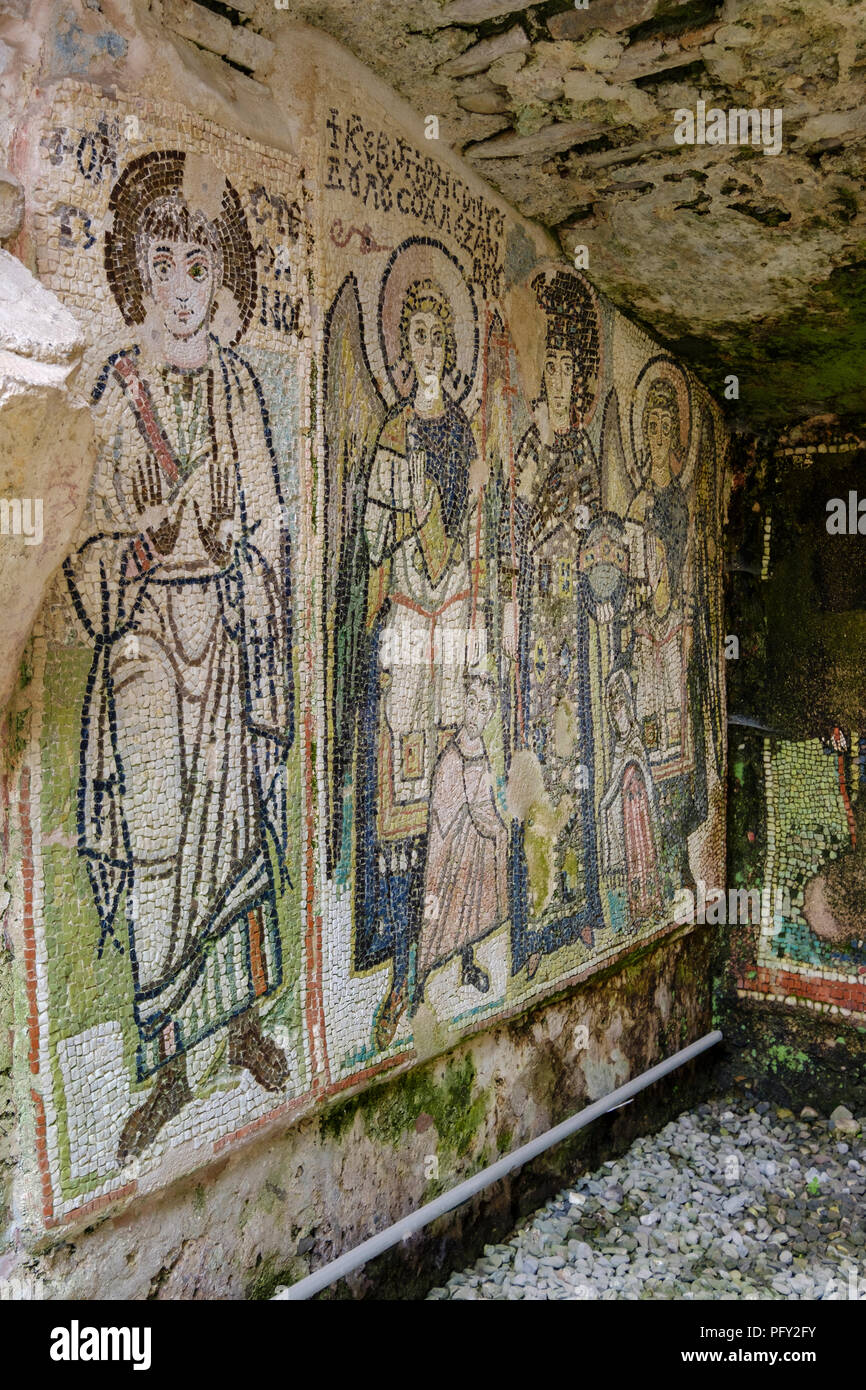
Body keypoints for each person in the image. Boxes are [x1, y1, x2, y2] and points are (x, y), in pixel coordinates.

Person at [64, 151, 294, 1162]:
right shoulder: (116, 391)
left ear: (218, 277)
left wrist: (246, 559)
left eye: (199, 263)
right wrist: (146, 544)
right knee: (162, 848)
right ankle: (162, 1066)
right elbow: (83, 558)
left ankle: (243, 1023)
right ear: (135, 273)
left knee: (236, 824)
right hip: (148, 645)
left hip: (228, 629)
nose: (181, 285)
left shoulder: (240, 386)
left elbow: (269, 525)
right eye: (160, 261)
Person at [357, 278, 489, 1049]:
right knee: (407, 809)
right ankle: (408, 971)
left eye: (443, 339)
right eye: (420, 340)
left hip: (459, 620)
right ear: (404, 352)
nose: (431, 351)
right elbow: (373, 543)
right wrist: (411, 518)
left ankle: (463, 944)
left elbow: (479, 530)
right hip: (410, 625)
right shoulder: (390, 436)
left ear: (451, 351)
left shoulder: (465, 435)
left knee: (467, 787)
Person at [412, 671, 508, 1012]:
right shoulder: (451, 757)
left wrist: (495, 827)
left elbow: (484, 799)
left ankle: (467, 964)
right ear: (463, 705)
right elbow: (447, 804)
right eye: (471, 703)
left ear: (489, 715)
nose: (475, 713)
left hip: (473, 841)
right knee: (438, 911)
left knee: (469, 904)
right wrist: (480, 817)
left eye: (483, 708)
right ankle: (419, 981)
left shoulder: (480, 750)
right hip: (449, 842)